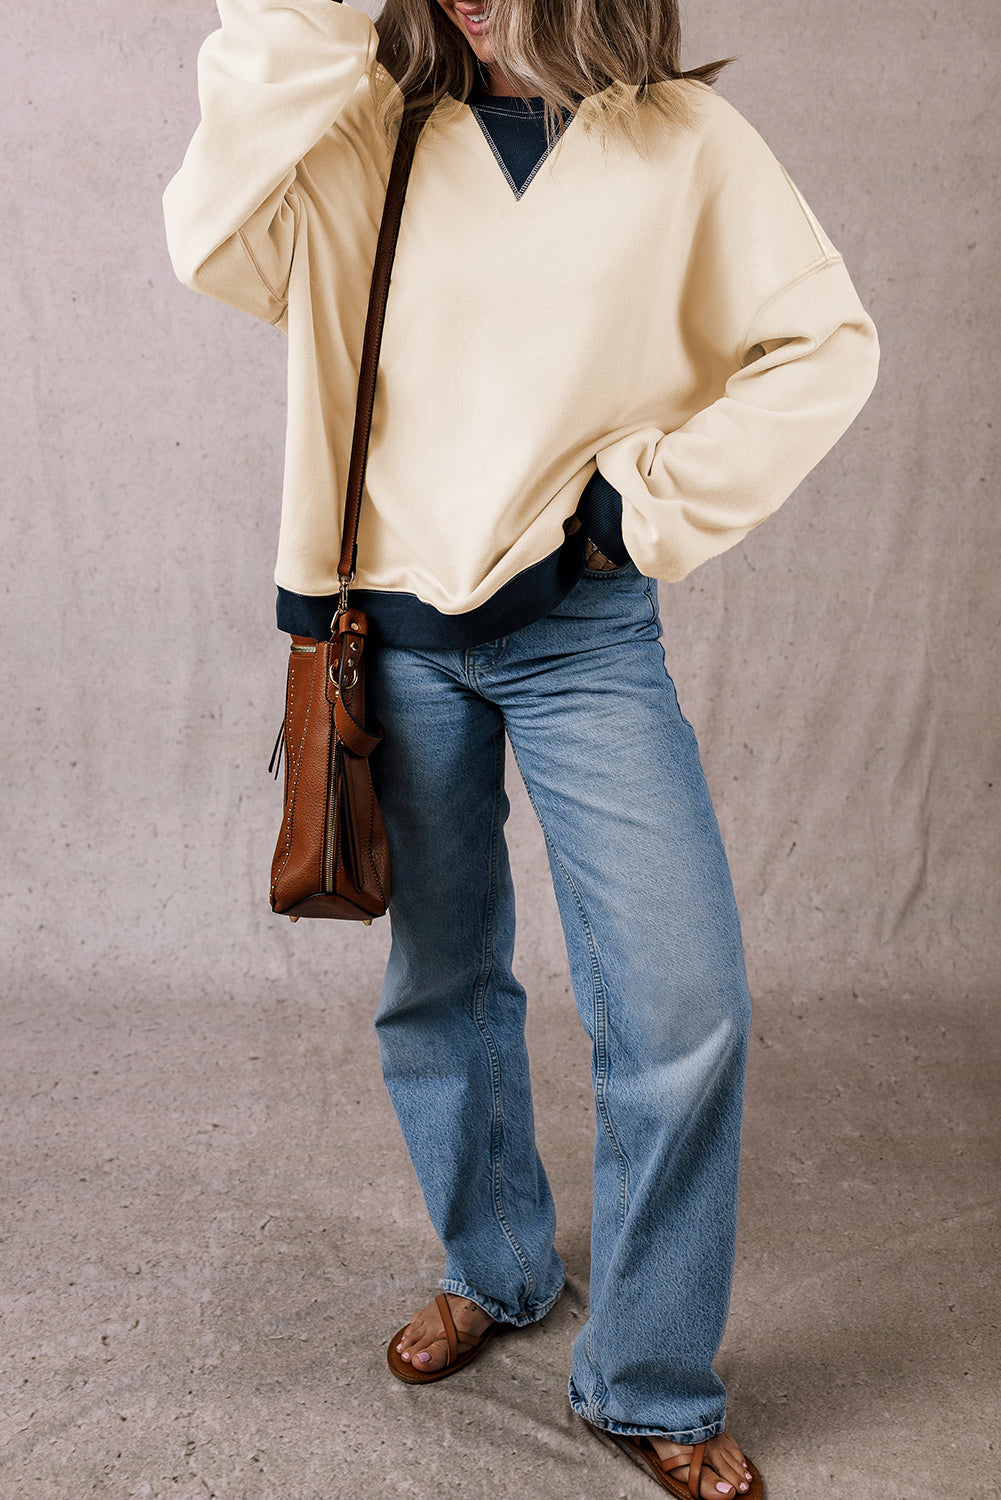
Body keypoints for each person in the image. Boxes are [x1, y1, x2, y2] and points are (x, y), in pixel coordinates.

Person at [163, 0, 879, 1493]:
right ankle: (491, 1268)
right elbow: (207, 236)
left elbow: (826, 344)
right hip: (390, 639)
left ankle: (648, 1376)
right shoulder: (357, 131)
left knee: (682, 1004)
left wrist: (634, 505)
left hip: (583, 636)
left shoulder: (683, 142)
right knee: (439, 982)